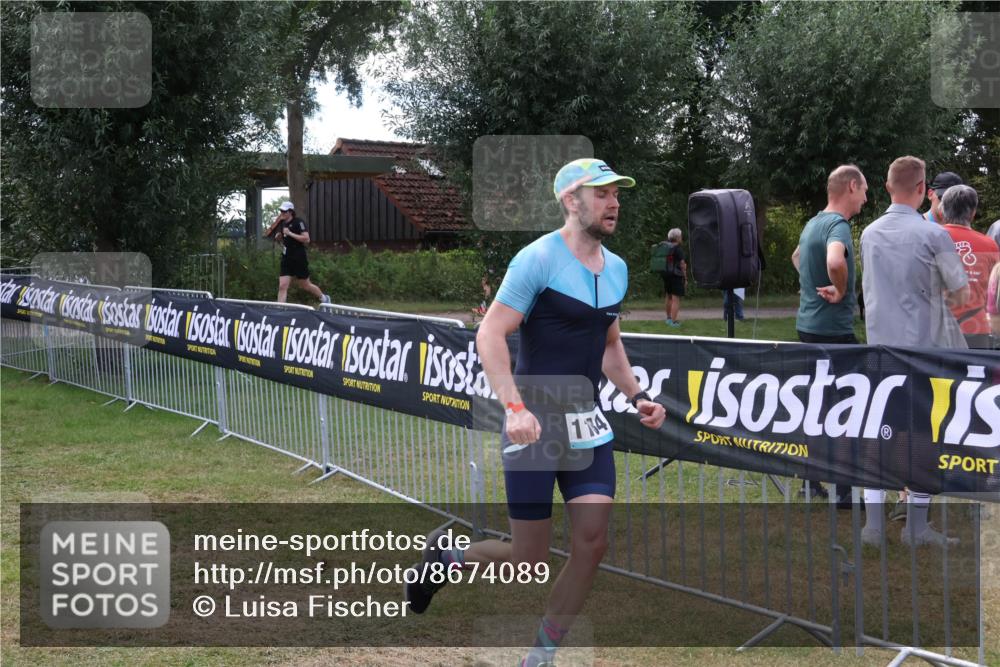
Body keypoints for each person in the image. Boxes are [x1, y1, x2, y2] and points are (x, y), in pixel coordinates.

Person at [404, 158, 666, 667]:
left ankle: (541, 656)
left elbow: (609, 343)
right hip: (534, 425)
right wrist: (514, 408)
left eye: (616, 194)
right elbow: (490, 333)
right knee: (529, 558)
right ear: (571, 200)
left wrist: (637, 396)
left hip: (587, 426)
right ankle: (448, 560)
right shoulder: (537, 259)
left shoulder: (616, 268)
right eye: (602, 193)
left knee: (592, 543)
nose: (613, 203)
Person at [859, 156, 969, 548]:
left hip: (879, 351)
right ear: (923, 189)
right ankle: (916, 527)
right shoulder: (933, 235)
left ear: (888, 186)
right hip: (923, 353)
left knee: (878, 436)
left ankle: (873, 526)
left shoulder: (868, 233)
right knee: (924, 438)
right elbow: (961, 294)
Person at [790, 164, 868, 507]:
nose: (865, 199)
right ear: (851, 186)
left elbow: (796, 256)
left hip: (808, 327)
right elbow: (836, 261)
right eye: (864, 190)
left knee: (816, 407)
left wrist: (810, 283)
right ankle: (845, 492)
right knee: (847, 409)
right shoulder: (838, 225)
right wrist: (839, 289)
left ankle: (811, 483)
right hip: (833, 333)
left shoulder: (813, 223)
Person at [939, 184, 1000, 349]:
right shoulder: (990, 245)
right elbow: (995, 293)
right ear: (973, 213)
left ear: (943, 210)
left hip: (937, 328)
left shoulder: (930, 237)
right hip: (976, 328)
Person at [272, 201, 330, 304]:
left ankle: (324, 298)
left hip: (298, 257)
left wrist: (290, 233)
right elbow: (286, 239)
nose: (282, 213)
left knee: (305, 285)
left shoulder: (298, 222)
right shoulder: (282, 223)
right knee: (282, 286)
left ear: (291, 212)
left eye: (284, 211)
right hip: (286, 258)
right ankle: (280, 309)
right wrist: (280, 237)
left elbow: (307, 239)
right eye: (281, 211)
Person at [660, 228, 687, 327]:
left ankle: (668, 318)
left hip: (666, 275)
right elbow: (682, 264)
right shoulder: (678, 249)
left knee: (668, 296)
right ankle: (673, 321)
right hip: (676, 275)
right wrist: (685, 277)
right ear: (677, 237)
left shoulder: (665, 247)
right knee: (676, 298)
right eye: (680, 236)